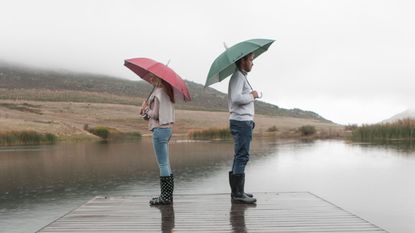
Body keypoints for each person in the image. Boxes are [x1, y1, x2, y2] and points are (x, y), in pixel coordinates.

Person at [228, 52, 258, 204]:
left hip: (242, 121)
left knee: (239, 156)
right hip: (240, 122)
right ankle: (238, 194)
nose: (253, 63)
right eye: (251, 60)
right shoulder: (238, 77)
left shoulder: (240, 76)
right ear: (243, 61)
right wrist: (252, 95)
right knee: (242, 156)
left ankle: (237, 192)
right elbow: (236, 98)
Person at [140, 73, 175, 205]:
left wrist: (146, 108)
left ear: (159, 78)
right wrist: (144, 111)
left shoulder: (158, 93)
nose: (150, 79)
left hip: (159, 130)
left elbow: (155, 115)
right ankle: (168, 196)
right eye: (149, 76)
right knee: (166, 162)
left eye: (153, 77)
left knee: (163, 164)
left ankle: (165, 197)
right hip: (168, 129)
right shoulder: (167, 92)